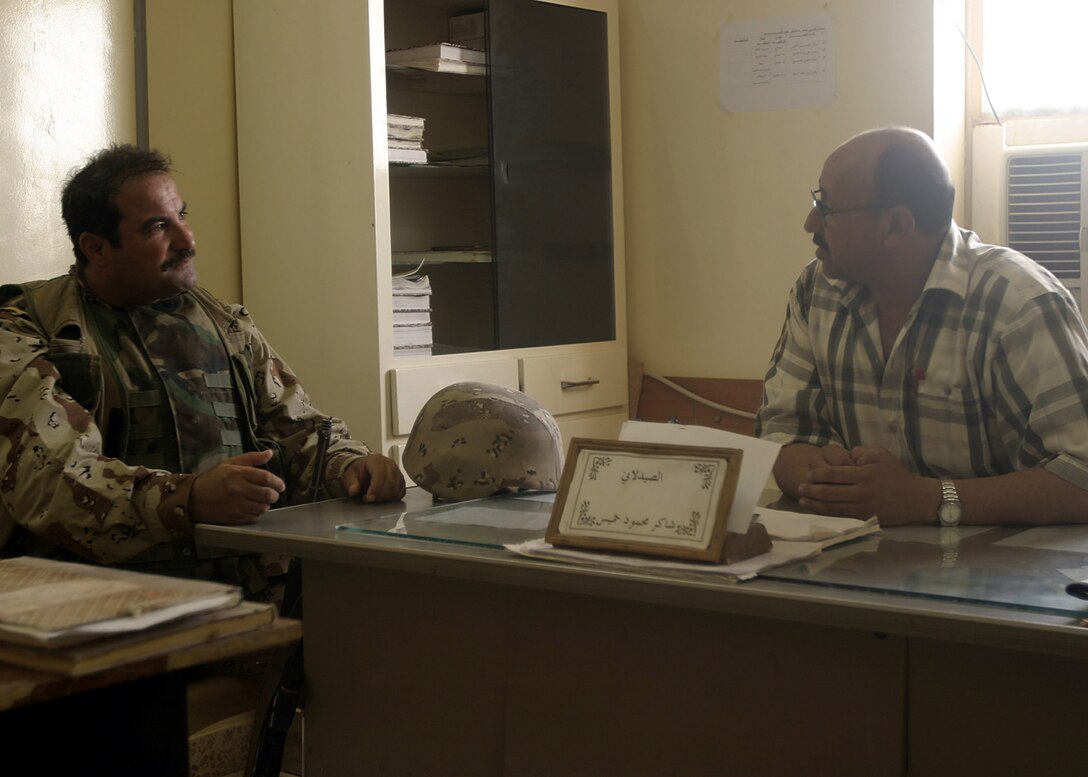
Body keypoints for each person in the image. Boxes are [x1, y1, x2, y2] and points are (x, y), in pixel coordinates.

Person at [0, 144, 406, 580]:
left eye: (183, 216)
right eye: (158, 227)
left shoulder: (223, 322)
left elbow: (297, 429)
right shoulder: (27, 327)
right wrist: (187, 499)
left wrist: (351, 466)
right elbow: (49, 481)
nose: (187, 240)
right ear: (96, 248)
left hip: (246, 599)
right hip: (96, 609)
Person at [756, 126, 1088, 526]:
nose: (810, 222)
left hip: (1005, 576)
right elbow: (782, 429)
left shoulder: (1018, 303)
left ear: (896, 226)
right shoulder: (817, 291)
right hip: (856, 568)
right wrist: (838, 484)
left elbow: (1081, 476)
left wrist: (927, 499)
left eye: (826, 207)